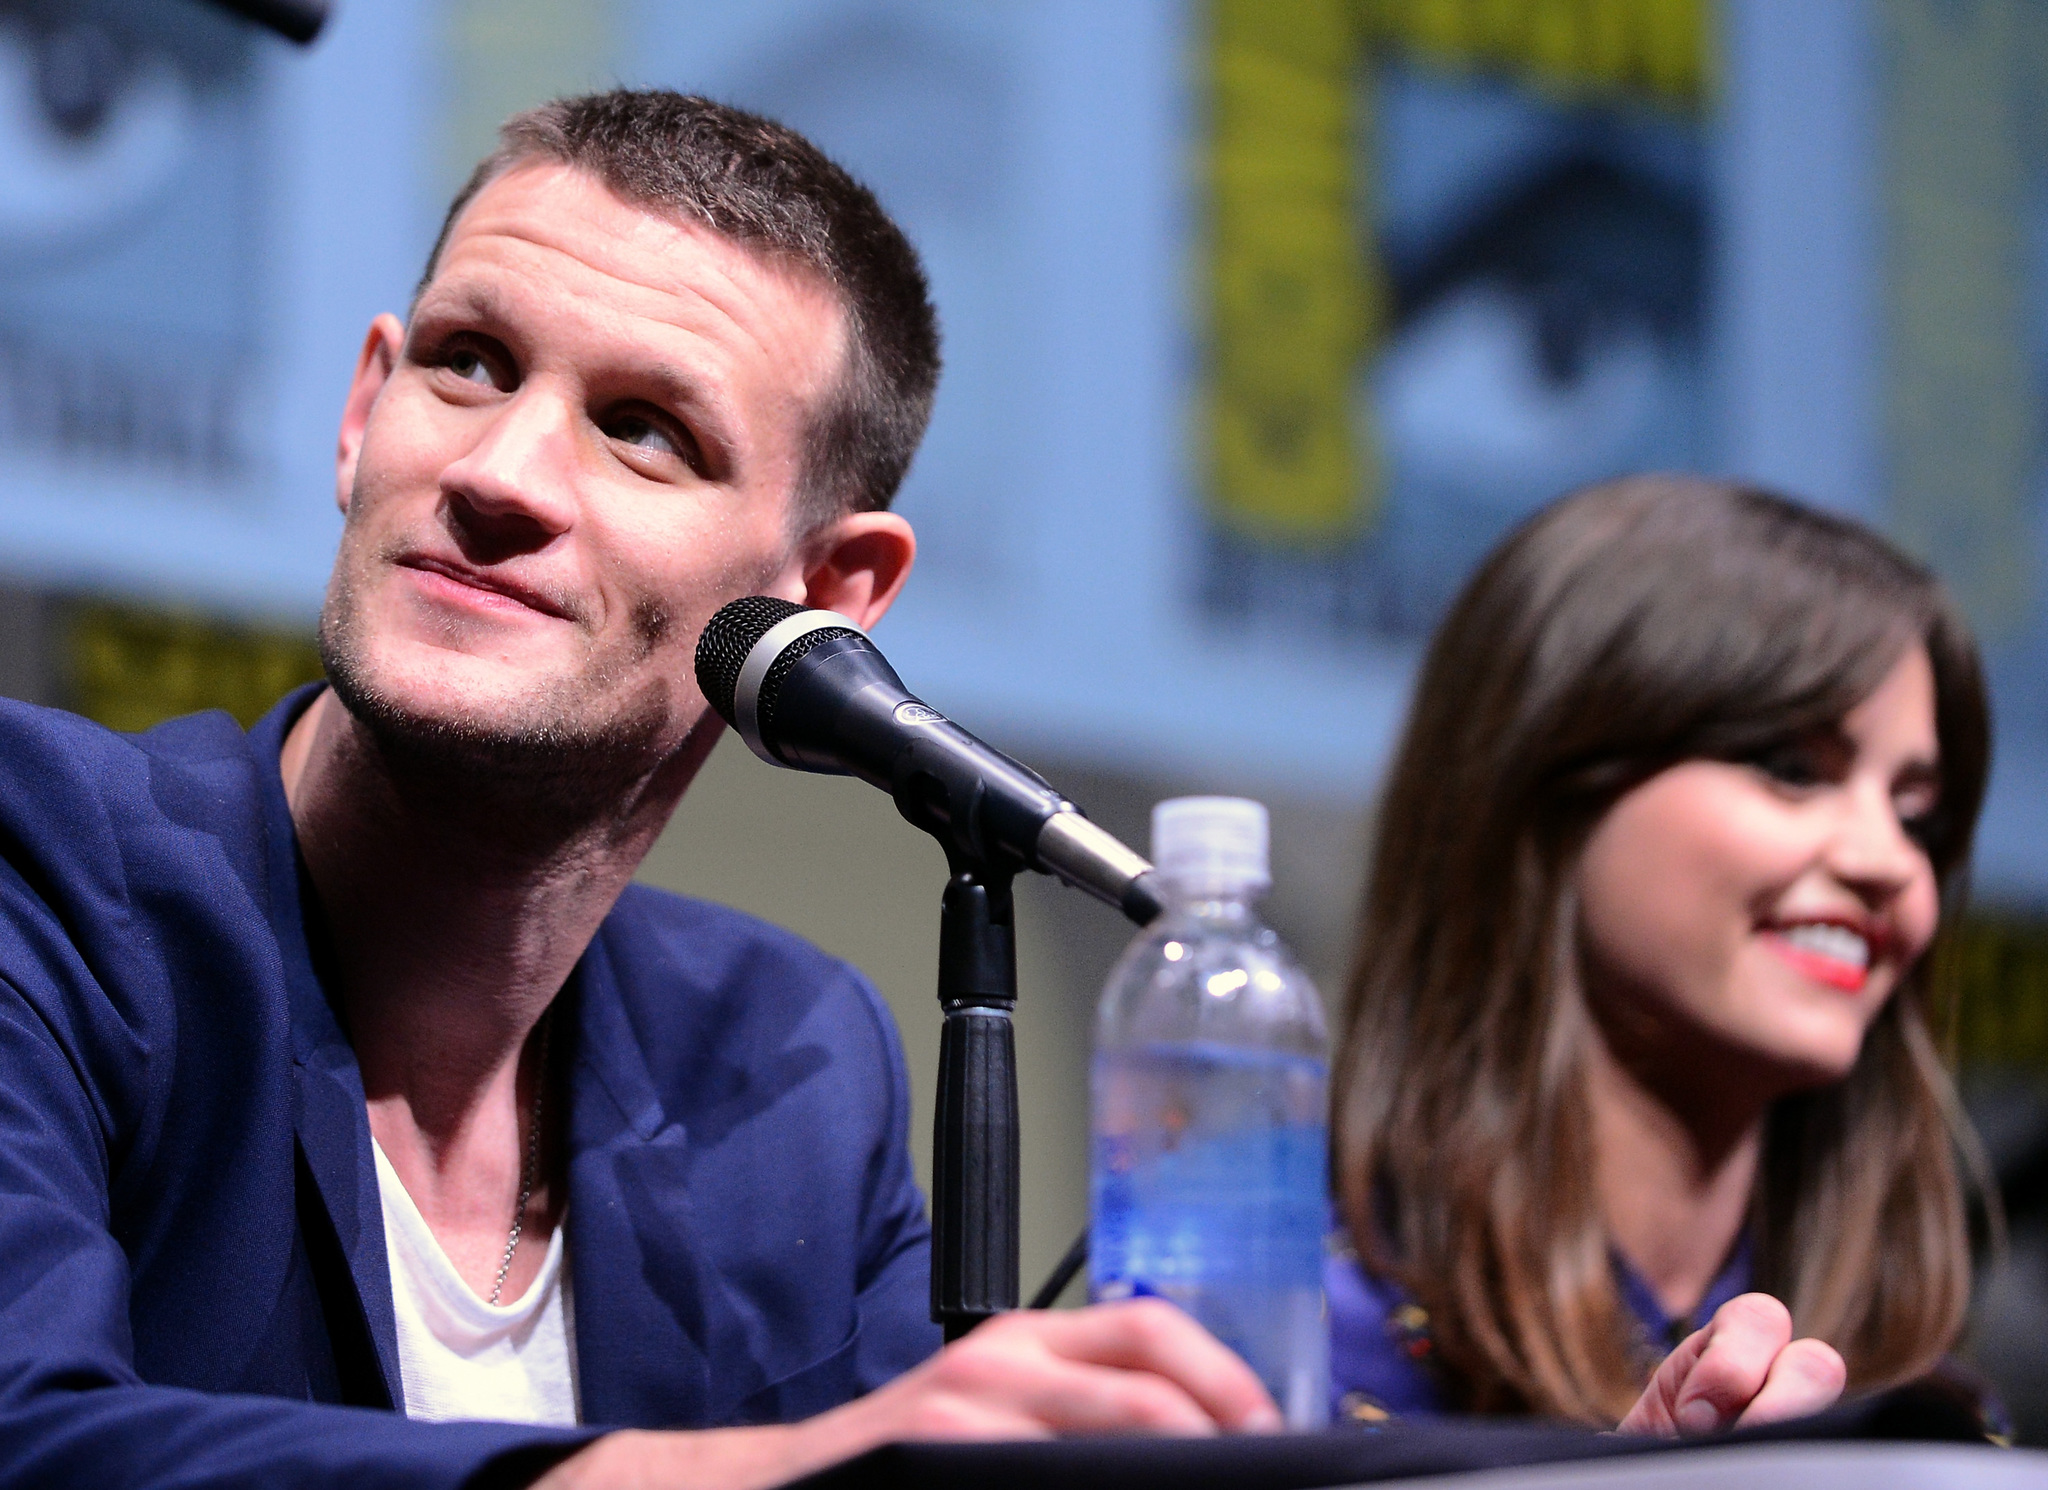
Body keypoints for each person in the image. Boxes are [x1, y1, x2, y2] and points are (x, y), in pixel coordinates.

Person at [0, 94, 1837, 1490]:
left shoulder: (785, 1064)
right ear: (358, 413)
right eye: (469, 366)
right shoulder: (46, 858)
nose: (499, 474)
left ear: (832, 596)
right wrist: (771, 1478)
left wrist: (1607, 1474)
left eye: (644, 428)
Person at [1326, 475, 1995, 1432]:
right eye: (1792, 769)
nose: (1887, 861)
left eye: (1917, 817)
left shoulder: (1930, 1416)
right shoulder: (1276, 1349)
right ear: (1542, 782)